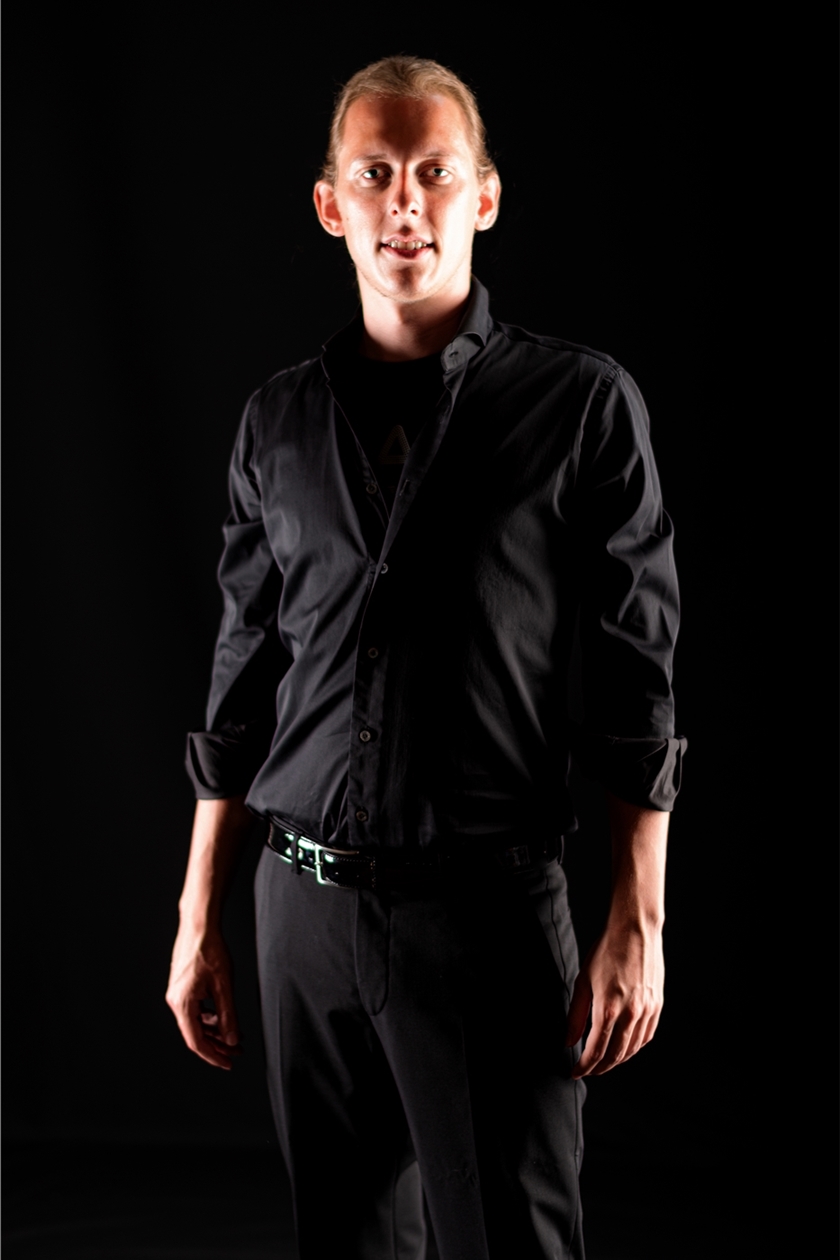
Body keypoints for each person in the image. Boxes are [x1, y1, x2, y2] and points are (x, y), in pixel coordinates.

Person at [166, 55, 685, 1260]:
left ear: (485, 197)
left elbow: (638, 679)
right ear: (329, 204)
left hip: (486, 917)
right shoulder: (275, 421)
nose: (406, 201)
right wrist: (198, 915)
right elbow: (241, 680)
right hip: (300, 914)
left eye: (435, 172)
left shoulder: (583, 406)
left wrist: (639, 919)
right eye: (376, 174)